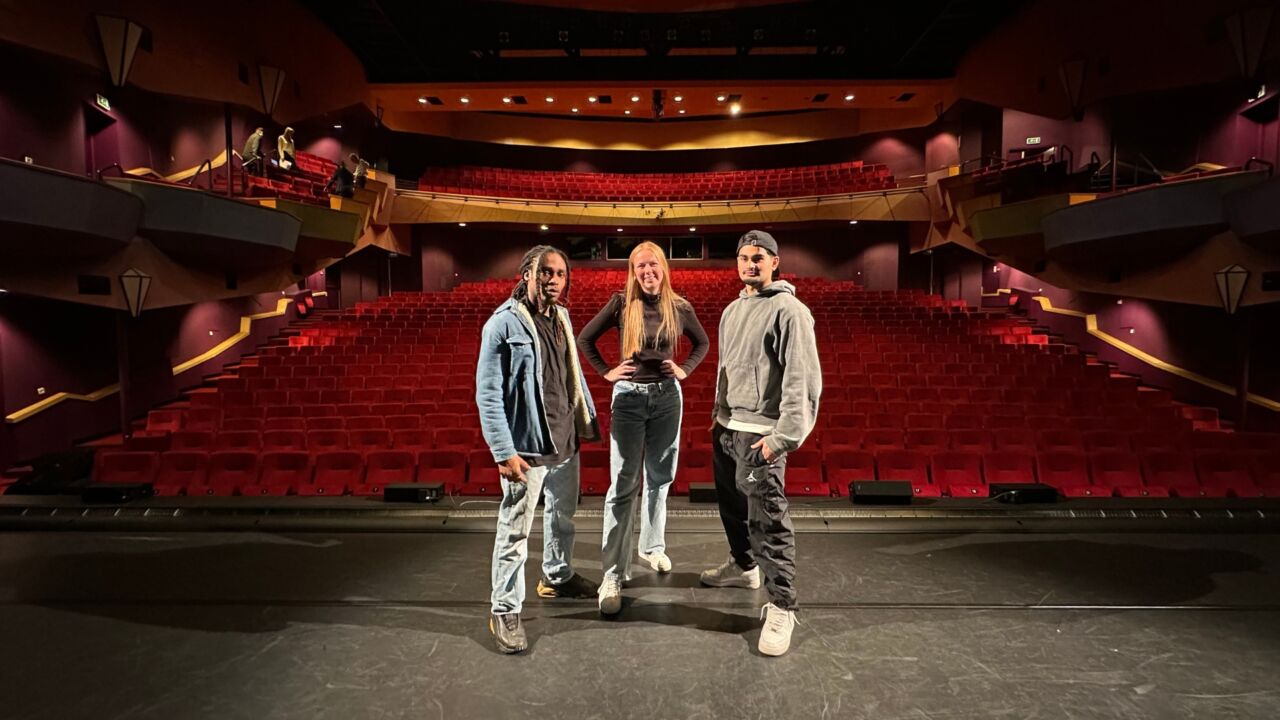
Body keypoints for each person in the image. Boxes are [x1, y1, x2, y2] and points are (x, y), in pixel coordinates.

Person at [700, 229, 821, 657]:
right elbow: (728, 370)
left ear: (774, 262)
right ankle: (743, 566)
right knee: (732, 508)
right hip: (729, 427)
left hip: (761, 435)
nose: (751, 264)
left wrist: (781, 439)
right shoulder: (733, 310)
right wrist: (719, 419)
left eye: (759, 257)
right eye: (744, 257)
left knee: (766, 520)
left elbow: (801, 381)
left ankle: (782, 604)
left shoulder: (790, 310)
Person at [476, 244, 601, 654]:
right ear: (526, 273)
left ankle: (557, 576)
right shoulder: (502, 325)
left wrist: (585, 421)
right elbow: (488, 394)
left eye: (560, 274)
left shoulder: (561, 316)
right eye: (545, 272)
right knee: (515, 531)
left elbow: (571, 375)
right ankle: (505, 607)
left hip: (564, 440)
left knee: (563, 517)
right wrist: (502, 450)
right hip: (527, 447)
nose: (553, 280)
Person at [577, 240, 709, 616]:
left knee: (660, 477)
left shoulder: (679, 306)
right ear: (633, 272)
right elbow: (585, 338)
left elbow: (701, 342)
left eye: (653, 265)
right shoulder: (621, 303)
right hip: (630, 398)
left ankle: (652, 548)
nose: (648, 272)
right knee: (623, 484)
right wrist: (607, 371)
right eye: (640, 267)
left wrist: (684, 369)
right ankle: (613, 573)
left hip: (668, 397)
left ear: (664, 268)